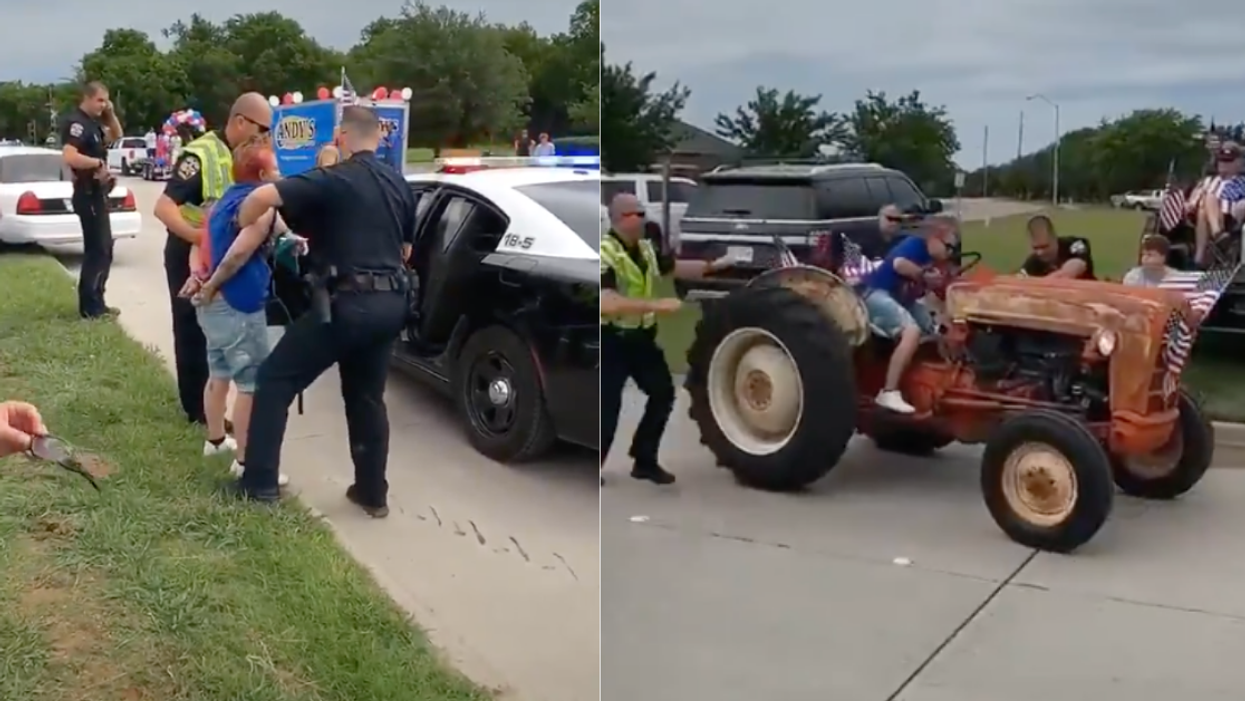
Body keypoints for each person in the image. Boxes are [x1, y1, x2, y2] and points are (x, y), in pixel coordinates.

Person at [229, 105, 415, 514]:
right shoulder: (399, 184)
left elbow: (264, 195)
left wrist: (242, 219)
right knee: (367, 398)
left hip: (346, 304)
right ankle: (372, 493)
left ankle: (258, 485)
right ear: (379, 138)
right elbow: (405, 250)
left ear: (342, 136)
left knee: (275, 379)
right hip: (391, 305)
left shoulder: (335, 178)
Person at [185, 137, 303, 487]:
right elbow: (238, 254)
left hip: (214, 307)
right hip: (238, 304)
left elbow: (279, 230)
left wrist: (293, 238)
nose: (281, 173)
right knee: (251, 384)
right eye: (277, 167)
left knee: (219, 372)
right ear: (264, 174)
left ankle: (216, 440)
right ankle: (246, 462)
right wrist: (211, 284)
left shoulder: (224, 201)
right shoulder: (260, 206)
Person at [600, 193, 738, 485]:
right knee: (607, 406)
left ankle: (644, 459)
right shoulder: (605, 252)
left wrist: (714, 265)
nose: (643, 218)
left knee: (663, 393)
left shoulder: (645, 248)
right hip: (612, 339)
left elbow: (672, 267)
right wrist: (656, 306)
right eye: (637, 213)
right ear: (622, 218)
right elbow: (606, 302)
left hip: (642, 339)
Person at [153, 92, 272, 430]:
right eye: (260, 129)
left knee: (219, 335)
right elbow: (163, 207)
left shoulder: (242, 155)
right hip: (188, 254)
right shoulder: (201, 154)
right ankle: (197, 413)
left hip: (221, 259)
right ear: (239, 121)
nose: (263, 138)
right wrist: (202, 240)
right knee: (192, 331)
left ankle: (213, 411)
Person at [862, 229, 950, 414]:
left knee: (934, 331)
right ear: (934, 238)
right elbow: (898, 264)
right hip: (877, 294)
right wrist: (924, 275)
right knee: (911, 331)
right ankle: (888, 392)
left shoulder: (934, 261)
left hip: (904, 300)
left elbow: (931, 295)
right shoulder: (916, 244)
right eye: (948, 246)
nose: (949, 252)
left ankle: (929, 381)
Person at [59, 81, 123, 319]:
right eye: (100, 100)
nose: (103, 104)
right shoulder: (77, 124)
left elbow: (116, 135)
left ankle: (98, 301)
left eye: (106, 100)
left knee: (105, 248)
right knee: (97, 250)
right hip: (86, 193)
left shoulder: (93, 124)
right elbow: (69, 156)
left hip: (98, 193)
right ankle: (90, 307)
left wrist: (111, 113)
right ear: (87, 97)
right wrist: (96, 164)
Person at [1195, 142, 1245, 266]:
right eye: (1222, 161)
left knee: (1208, 200)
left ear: (1239, 163)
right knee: (1203, 208)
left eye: (1229, 162)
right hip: (1211, 218)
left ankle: (1200, 257)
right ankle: (1218, 235)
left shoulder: (1241, 181)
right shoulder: (1208, 181)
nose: (1224, 165)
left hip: (1233, 218)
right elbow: (1192, 201)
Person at [1019, 215, 1095, 279]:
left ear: (1054, 238)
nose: (1040, 253)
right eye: (1035, 248)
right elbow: (1019, 280)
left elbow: (1072, 270)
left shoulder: (1075, 244)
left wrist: (1041, 283)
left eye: (1044, 246)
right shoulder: (1032, 262)